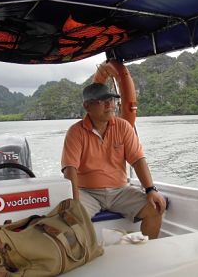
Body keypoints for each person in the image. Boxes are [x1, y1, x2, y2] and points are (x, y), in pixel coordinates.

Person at [61, 83, 166, 239]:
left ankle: (145, 254)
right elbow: (70, 170)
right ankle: (85, 257)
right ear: (87, 106)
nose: (110, 105)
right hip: (87, 192)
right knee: (71, 219)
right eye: (102, 101)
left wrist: (150, 189)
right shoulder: (76, 132)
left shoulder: (123, 127)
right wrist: (75, 202)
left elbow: (137, 159)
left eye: (111, 100)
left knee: (155, 208)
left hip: (120, 191)